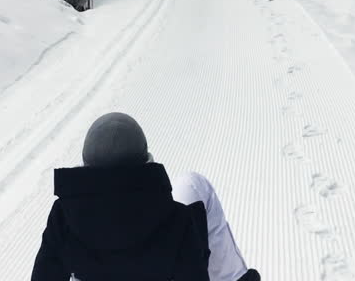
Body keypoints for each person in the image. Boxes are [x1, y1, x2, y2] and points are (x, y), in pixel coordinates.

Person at [31, 112, 261, 281]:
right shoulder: (179, 220)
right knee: (194, 184)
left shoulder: (62, 218)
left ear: (84, 167)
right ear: (148, 162)